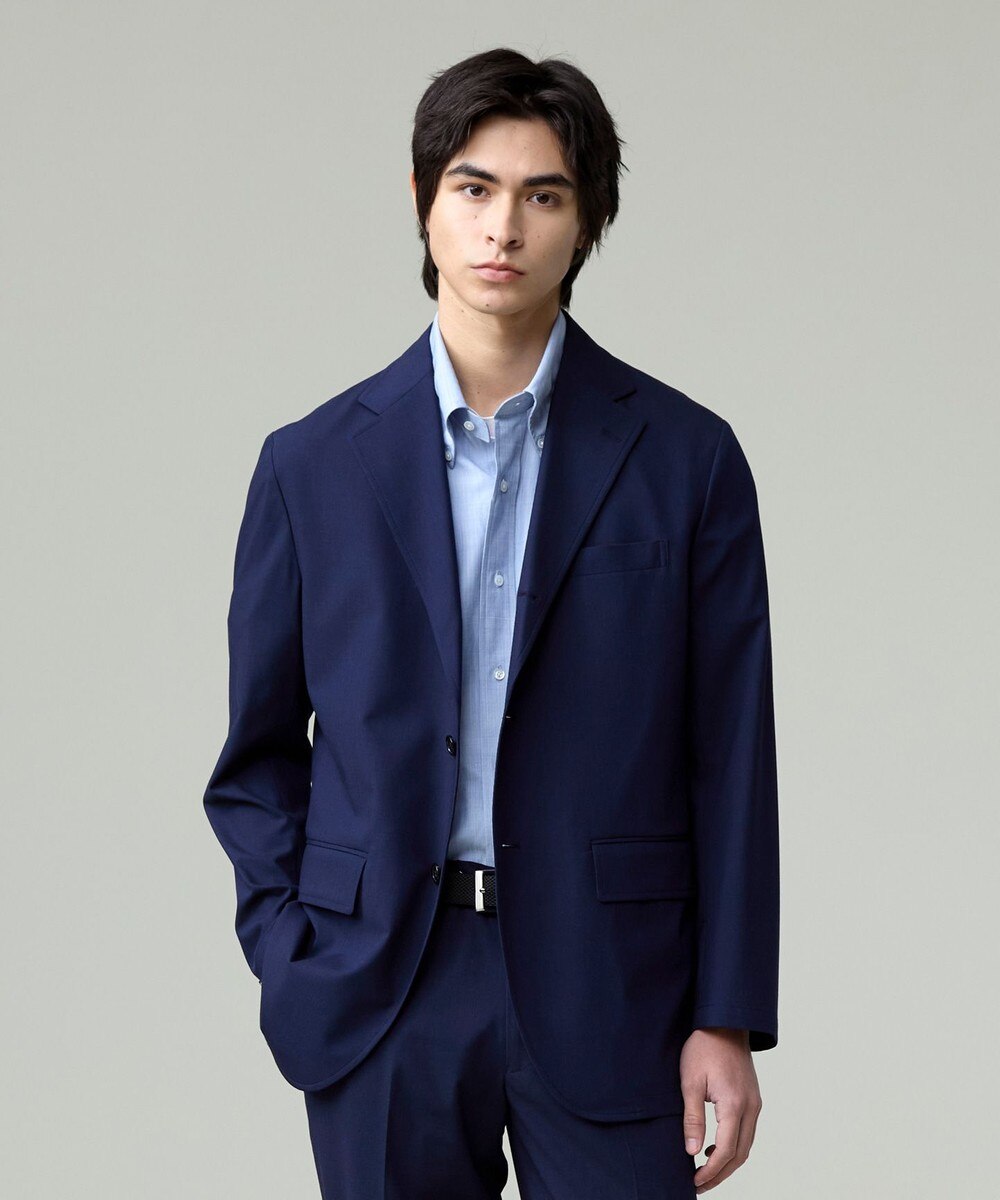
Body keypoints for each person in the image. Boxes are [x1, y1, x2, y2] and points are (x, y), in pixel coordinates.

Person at [204, 46, 779, 1200]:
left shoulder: (686, 459)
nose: (502, 227)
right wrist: (290, 950)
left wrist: (725, 1015)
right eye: (474, 188)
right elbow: (257, 757)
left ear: (587, 220)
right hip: (382, 988)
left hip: (615, 983)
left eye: (543, 195)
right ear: (424, 200)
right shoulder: (311, 466)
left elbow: (730, 754)